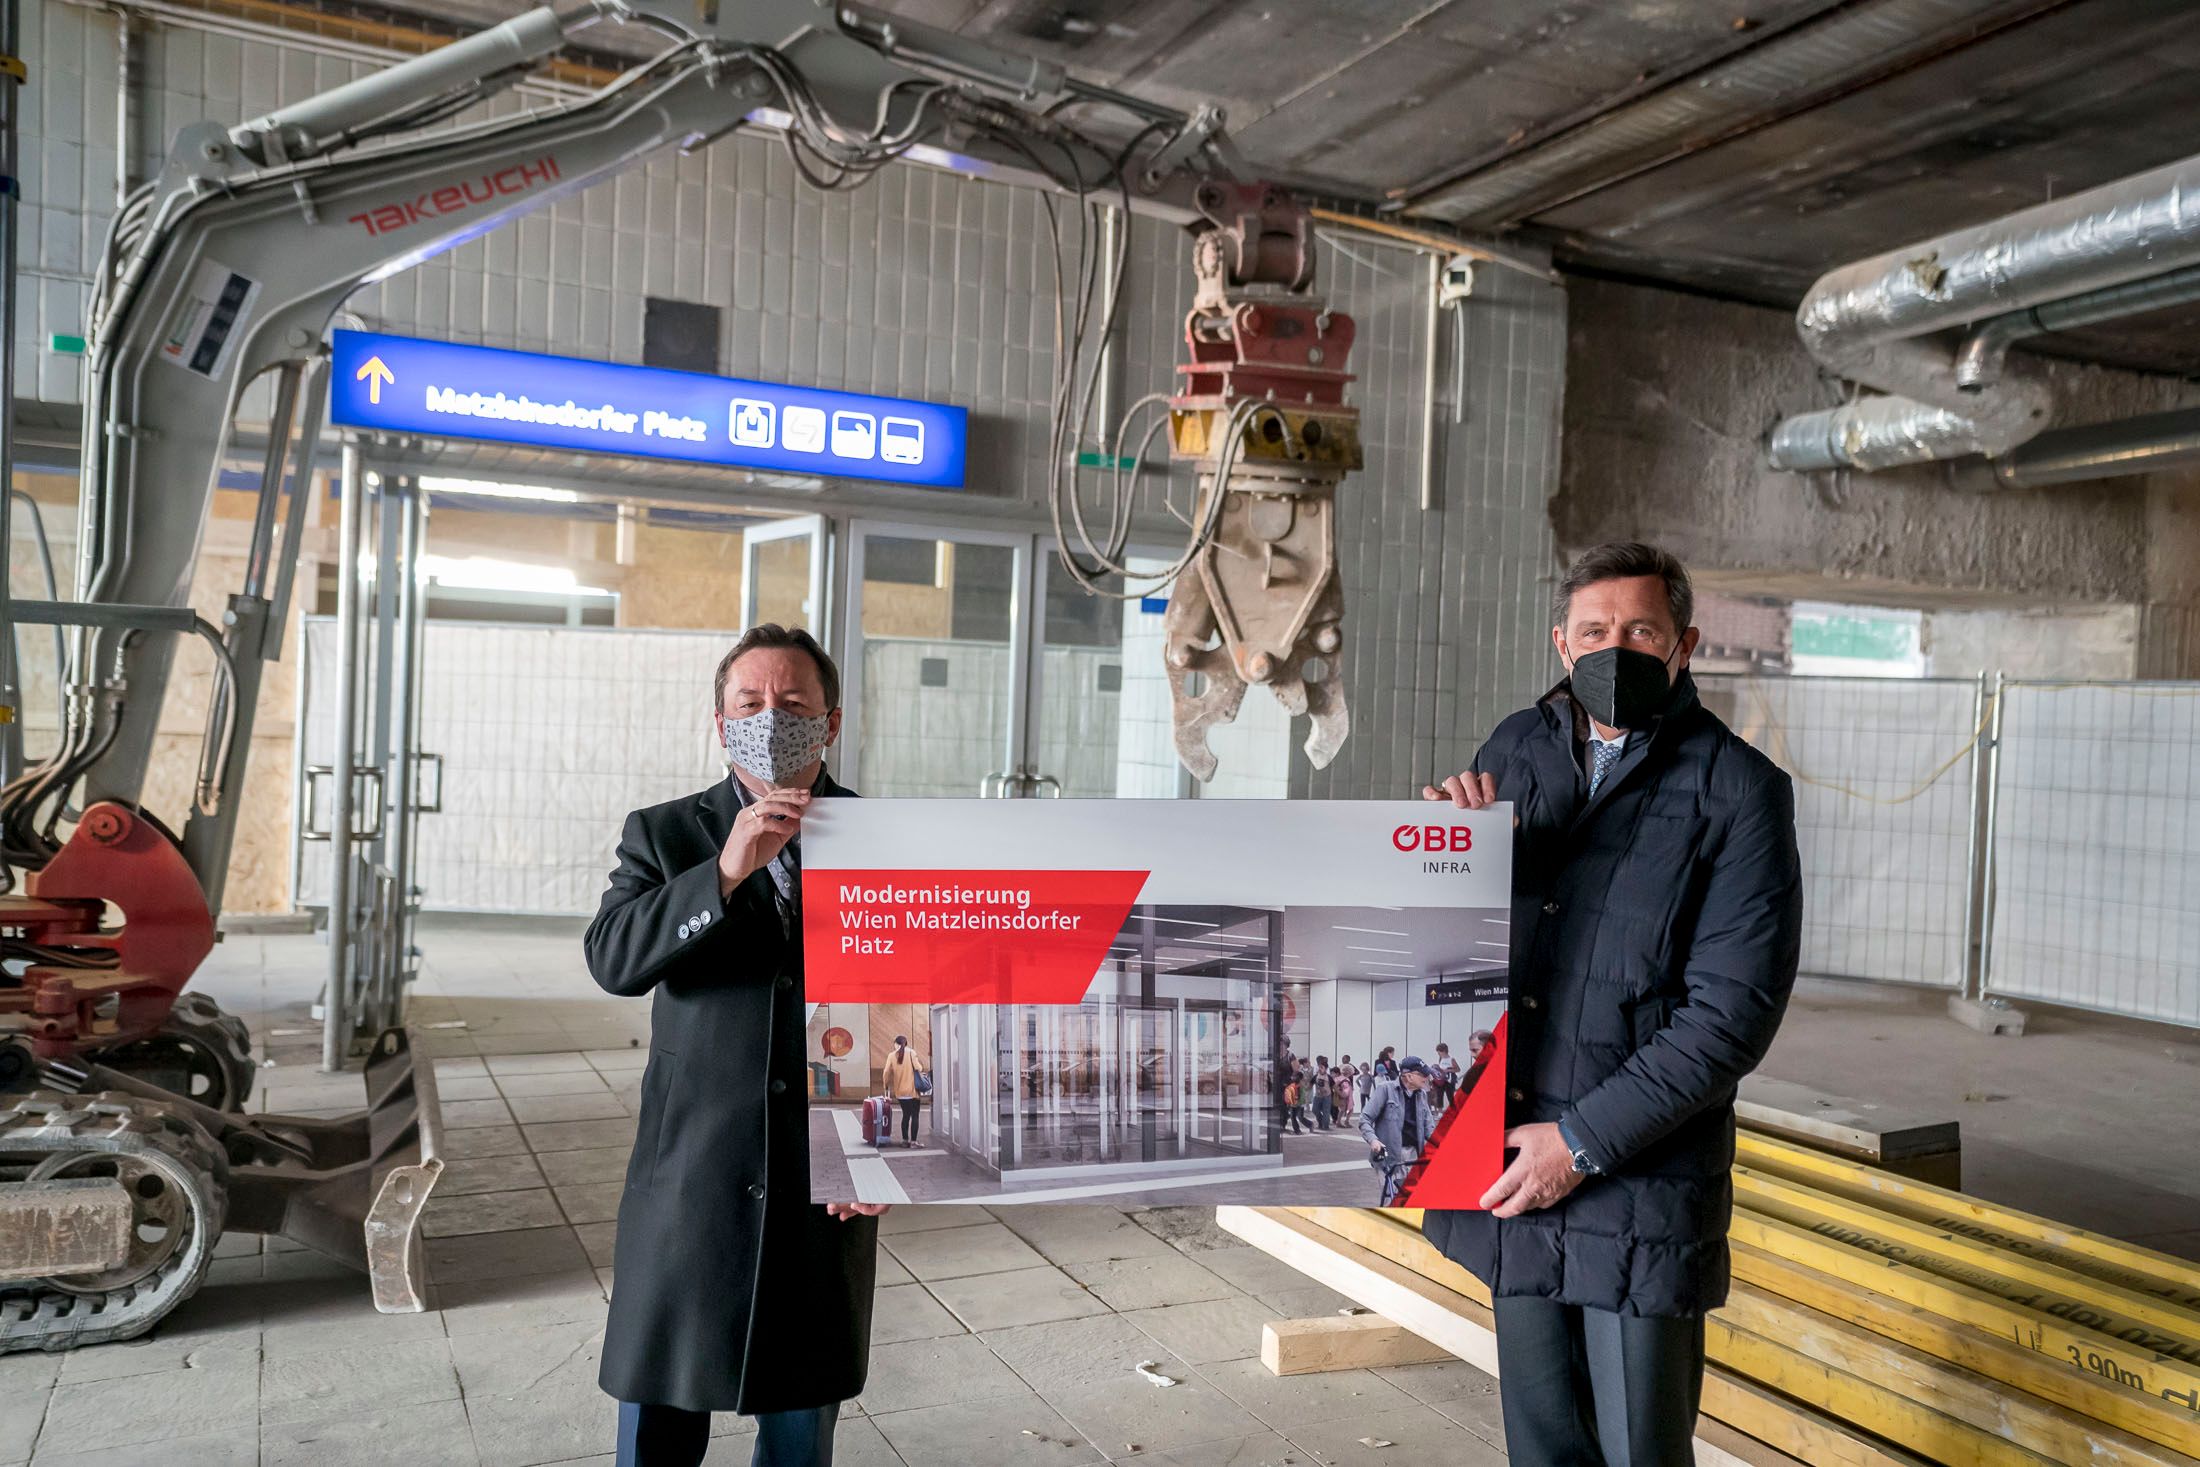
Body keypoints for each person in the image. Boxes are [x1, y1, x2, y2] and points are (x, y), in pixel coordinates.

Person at [1418, 543, 1802, 1467]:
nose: (1615, 646)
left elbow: (1730, 1018)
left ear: (1683, 645)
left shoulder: (1739, 792)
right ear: (1562, 642)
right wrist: (1445, 851)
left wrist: (1580, 1144)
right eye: (1595, 630)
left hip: (1635, 1177)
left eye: (1641, 630)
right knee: (1542, 1447)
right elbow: (1456, 951)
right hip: (1511, 1157)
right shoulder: (1516, 749)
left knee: (1640, 1450)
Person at [586, 624, 887, 1467]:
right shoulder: (665, 834)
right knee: (660, 1418)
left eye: (792, 704)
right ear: (721, 725)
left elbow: (919, 1001)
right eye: (750, 704)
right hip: (693, 1176)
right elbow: (613, 958)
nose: (770, 718)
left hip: (822, 1182)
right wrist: (723, 871)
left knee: (799, 1424)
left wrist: (896, 1150)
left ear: (829, 724)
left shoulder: (886, 839)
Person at [1358, 1055, 1437, 1204]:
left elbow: (1429, 1128)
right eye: (1422, 1075)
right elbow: (1365, 1119)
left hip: (1414, 1157)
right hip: (1389, 1156)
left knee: (1412, 1201)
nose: (1426, 1078)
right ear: (1408, 1075)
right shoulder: (1385, 1090)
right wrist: (1373, 1140)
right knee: (1391, 1202)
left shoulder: (1421, 1095)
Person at [880, 1034, 924, 1148]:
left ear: (896, 1044)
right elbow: (919, 1068)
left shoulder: (891, 1055)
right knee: (915, 1116)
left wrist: (886, 1086)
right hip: (912, 1092)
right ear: (906, 1043)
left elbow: (886, 1073)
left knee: (905, 1116)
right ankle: (913, 1142)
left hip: (901, 1093)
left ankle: (905, 1141)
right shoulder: (911, 1053)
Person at [1431, 1042, 1461, 1115]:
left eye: (1439, 1052)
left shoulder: (1451, 1059)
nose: (1439, 1054)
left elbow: (1458, 1069)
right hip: (1441, 1080)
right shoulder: (1441, 1059)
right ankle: (1440, 1112)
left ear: (1444, 1051)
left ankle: (1454, 1111)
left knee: (1450, 1095)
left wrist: (1447, 1070)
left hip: (1449, 1080)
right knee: (1439, 1094)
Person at [1310, 1055, 1335, 1130]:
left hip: (1327, 1097)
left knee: (1326, 1112)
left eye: (1322, 1067)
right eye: (1319, 1067)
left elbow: (1334, 1086)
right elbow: (1310, 1085)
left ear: (1326, 1069)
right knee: (1315, 1109)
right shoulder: (1315, 1076)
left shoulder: (1328, 1077)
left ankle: (1325, 1126)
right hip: (1317, 1096)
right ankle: (1321, 1122)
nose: (1320, 1069)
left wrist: (1340, 1094)